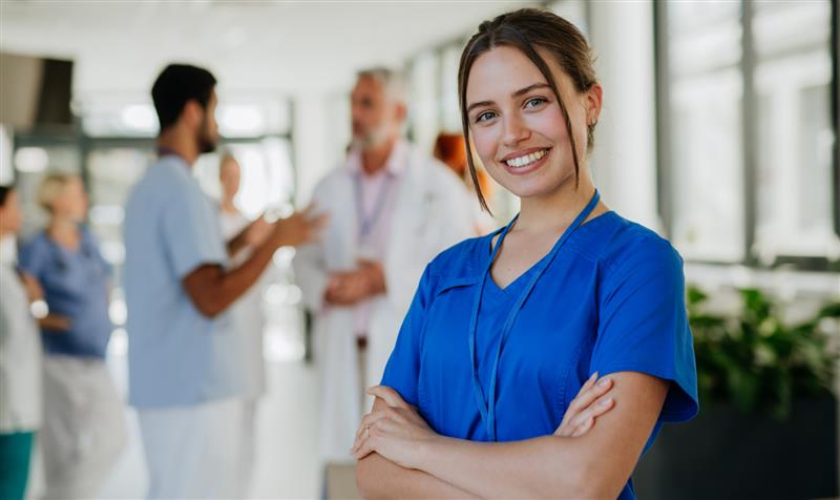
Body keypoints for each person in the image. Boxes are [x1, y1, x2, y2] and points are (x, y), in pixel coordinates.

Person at [354, 9, 699, 500]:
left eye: (534, 101)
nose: (511, 134)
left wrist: (421, 449)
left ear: (591, 102)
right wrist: (544, 468)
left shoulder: (639, 265)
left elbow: (586, 480)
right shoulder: (445, 275)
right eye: (486, 115)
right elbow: (372, 470)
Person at [123, 64, 325, 499]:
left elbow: (185, 270)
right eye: (215, 110)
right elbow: (210, 296)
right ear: (193, 113)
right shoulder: (182, 191)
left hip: (166, 386)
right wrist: (276, 242)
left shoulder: (150, 186)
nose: (217, 123)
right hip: (192, 392)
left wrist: (236, 243)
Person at [292, 67, 475, 494]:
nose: (356, 113)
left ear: (399, 112)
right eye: (354, 103)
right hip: (344, 346)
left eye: (367, 103)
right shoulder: (328, 186)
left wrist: (385, 279)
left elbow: (462, 268)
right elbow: (304, 259)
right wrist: (326, 287)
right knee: (342, 467)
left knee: (401, 472)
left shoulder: (437, 185)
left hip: (403, 350)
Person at [19, 173, 126, 499]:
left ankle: (57, 496)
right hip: (59, 360)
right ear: (58, 199)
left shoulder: (87, 239)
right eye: (77, 194)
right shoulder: (39, 247)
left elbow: (105, 280)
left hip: (96, 357)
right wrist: (52, 320)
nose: (84, 200)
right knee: (61, 448)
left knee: (114, 438)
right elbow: (23, 298)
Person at [217, 152, 269, 498]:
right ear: (220, 177)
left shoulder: (251, 222)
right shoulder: (210, 221)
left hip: (250, 326)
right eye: (228, 174)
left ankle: (243, 488)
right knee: (224, 419)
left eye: (238, 175)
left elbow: (263, 274)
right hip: (223, 328)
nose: (233, 181)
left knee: (248, 414)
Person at [0, 184, 42, 500]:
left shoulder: (10, 267)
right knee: (11, 486)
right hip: (9, 404)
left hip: (18, 399)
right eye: (14, 206)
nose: (20, 214)